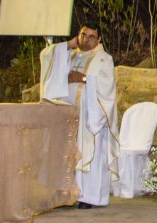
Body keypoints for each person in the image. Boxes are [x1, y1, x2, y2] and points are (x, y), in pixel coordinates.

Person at [40, 23, 118, 209]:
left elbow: (107, 85)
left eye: (92, 37)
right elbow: (46, 55)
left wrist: (83, 78)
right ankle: (65, 194)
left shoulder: (104, 59)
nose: (86, 40)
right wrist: (69, 44)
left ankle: (89, 197)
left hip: (90, 116)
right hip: (67, 113)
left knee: (89, 153)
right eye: (83, 35)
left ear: (99, 39)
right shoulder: (69, 54)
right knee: (65, 151)